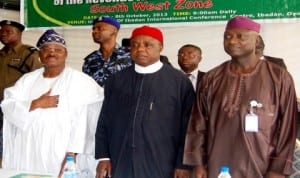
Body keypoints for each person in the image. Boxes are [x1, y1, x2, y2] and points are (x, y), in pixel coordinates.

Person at [183, 16, 298, 178]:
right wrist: (198, 163)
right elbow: (198, 124)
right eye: (227, 36)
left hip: (262, 166)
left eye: (240, 36)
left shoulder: (279, 77)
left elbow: (288, 127)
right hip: (217, 165)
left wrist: (278, 169)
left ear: (256, 40)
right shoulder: (211, 78)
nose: (232, 41)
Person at [95, 25, 195, 178]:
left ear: (160, 47)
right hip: (121, 160)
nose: (140, 49)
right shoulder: (116, 80)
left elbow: (189, 127)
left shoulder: (179, 82)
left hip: (163, 163)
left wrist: (183, 164)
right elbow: (104, 120)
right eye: (135, 45)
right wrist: (104, 156)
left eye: (148, 45)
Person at [1, 29, 103, 176]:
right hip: (29, 149)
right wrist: (35, 103)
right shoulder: (27, 80)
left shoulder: (81, 82)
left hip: (63, 153)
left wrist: (73, 153)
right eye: (46, 50)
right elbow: (7, 104)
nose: (52, 53)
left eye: (57, 50)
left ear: (66, 54)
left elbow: (92, 119)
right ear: (40, 55)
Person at [0, 20, 42, 166]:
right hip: (1, 108)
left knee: (12, 148)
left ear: (19, 34)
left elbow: (39, 81)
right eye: (2, 31)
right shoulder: (1, 55)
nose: (3, 34)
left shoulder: (29, 54)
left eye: (8, 31)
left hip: (18, 111)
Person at [82, 16, 132, 87]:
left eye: (100, 28)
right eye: (93, 29)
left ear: (114, 30)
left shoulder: (130, 56)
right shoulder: (90, 60)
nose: (94, 31)